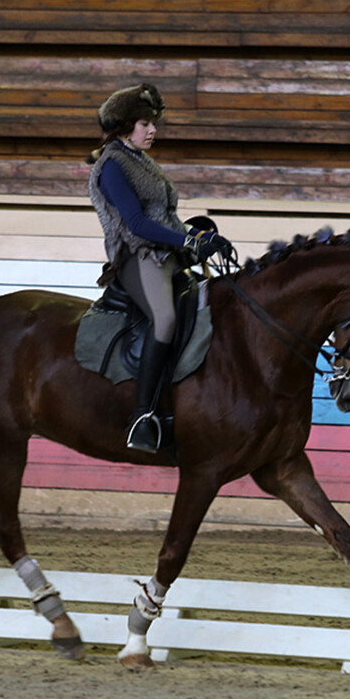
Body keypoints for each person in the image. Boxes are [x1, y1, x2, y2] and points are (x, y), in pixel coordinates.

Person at [87, 83, 232, 453]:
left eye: (154, 123)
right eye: (145, 123)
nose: (153, 130)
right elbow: (136, 223)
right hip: (137, 257)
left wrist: (200, 238)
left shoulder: (142, 161)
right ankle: (142, 417)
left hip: (167, 254)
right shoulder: (112, 166)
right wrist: (187, 242)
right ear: (123, 126)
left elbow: (165, 217)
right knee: (164, 320)